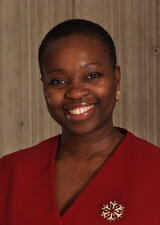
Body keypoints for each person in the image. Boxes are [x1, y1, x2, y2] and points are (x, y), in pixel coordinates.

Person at [0, 19, 159, 225]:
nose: (75, 93)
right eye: (58, 81)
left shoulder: (155, 170)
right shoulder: (9, 174)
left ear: (116, 79)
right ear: (44, 87)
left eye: (92, 76)